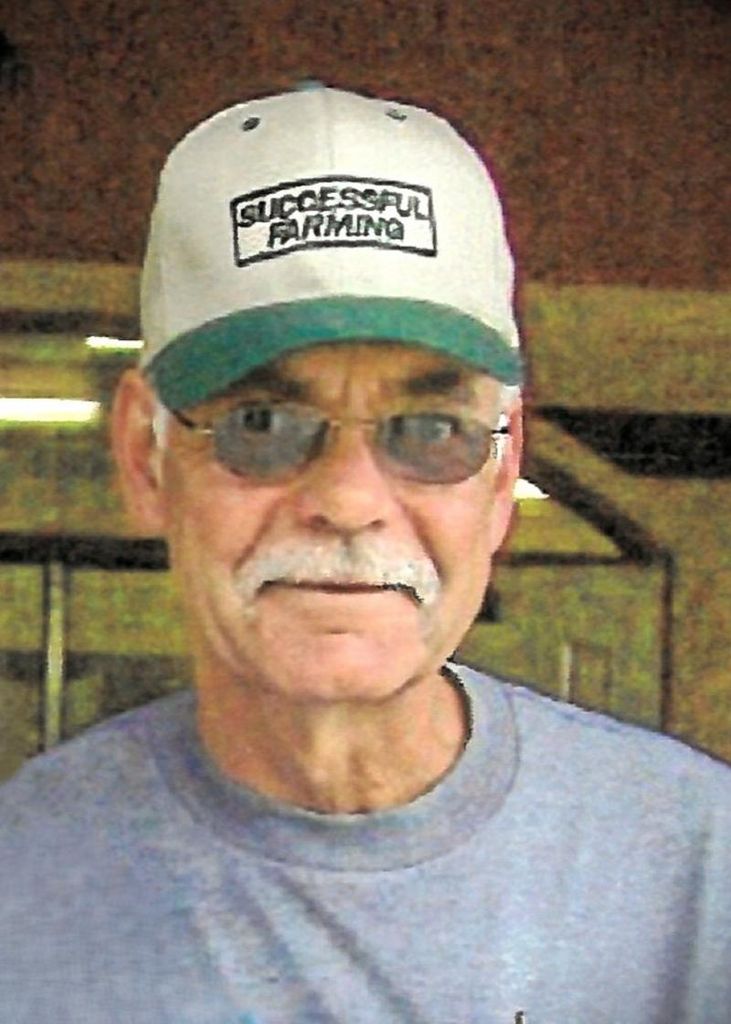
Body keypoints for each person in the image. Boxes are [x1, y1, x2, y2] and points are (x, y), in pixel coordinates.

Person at [0, 83, 729, 1024]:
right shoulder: (26, 879)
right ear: (147, 456)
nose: (348, 502)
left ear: (502, 473)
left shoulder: (698, 877)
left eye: (430, 430)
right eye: (262, 425)